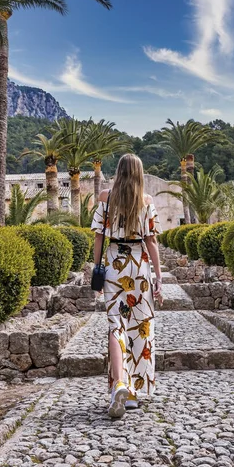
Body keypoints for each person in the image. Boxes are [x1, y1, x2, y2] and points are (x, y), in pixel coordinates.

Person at [91, 154, 163, 418]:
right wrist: (158, 277)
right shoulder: (146, 201)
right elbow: (151, 241)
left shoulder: (105, 197)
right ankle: (132, 394)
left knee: (116, 325)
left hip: (113, 263)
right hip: (139, 265)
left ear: (119, 171)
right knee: (140, 327)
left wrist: (96, 268)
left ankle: (119, 383)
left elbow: (99, 236)